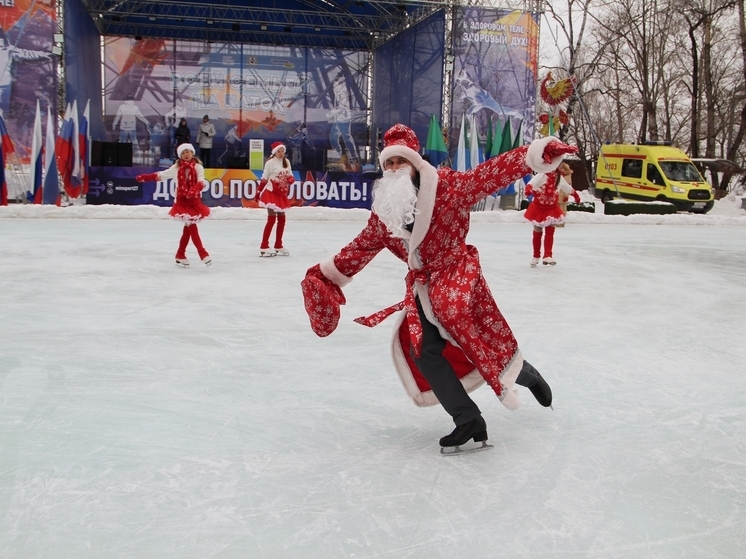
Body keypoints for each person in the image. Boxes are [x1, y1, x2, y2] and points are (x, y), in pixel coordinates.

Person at [300, 124, 576, 451]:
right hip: (423, 286)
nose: (394, 168)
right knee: (425, 354)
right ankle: (468, 419)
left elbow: (488, 175)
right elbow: (360, 248)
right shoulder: (386, 212)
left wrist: (532, 158)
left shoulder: (448, 186)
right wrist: (326, 275)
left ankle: (526, 374)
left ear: (415, 161)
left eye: (400, 160)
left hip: (457, 273)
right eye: (389, 163)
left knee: (471, 331)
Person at [135, 143, 212, 267]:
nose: (185, 154)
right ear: (180, 156)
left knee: (188, 229)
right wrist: (145, 177)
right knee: (191, 226)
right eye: (183, 153)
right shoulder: (176, 168)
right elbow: (161, 175)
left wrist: (194, 189)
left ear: (192, 153)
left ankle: (180, 254)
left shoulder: (198, 167)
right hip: (182, 202)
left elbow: (201, 182)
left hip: (194, 201)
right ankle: (202, 253)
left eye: (187, 152)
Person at [524, 161, 580, 266]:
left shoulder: (558, 178)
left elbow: (566, 187)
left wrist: (575, 194)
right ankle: (536, 256)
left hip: (551, 208)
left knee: (550, 231)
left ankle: (548, 255)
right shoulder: (542, 175)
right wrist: (528, 189)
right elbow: (531, 183)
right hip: (538, 208)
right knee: (537, 231)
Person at [257, 141, 294, 257]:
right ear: (274, 152)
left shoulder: (286, 162)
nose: (281, 153)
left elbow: (289, 174)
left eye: (282, 151)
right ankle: (264, 245)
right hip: (271, 193)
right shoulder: (270, 163)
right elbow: (264, 178)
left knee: (282, 220)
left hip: (281, 194)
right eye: (279, 151)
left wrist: (290, 179)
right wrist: (258, 191)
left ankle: (278, 244)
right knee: (271, 219)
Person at [327, 72, 359, 171]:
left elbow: (342, 106)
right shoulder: (338, 92)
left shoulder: (343, 93)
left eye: (336, 84)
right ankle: (341, 154)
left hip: (343, 118)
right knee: (334, 137)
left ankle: (353, 157)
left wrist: (332, 112)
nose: (334, 86)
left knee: (345, 137)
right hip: (339, 118)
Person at [554, 162, 573, 227]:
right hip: (558, 195)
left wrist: (566, 195)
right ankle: (557, 221)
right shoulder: (560, 176)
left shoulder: (567, 176)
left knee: (563, 210)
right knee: (557, 209)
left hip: (563, 196)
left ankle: (561, 222)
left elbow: (568, 187)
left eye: (562, 168)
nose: (561, 169)